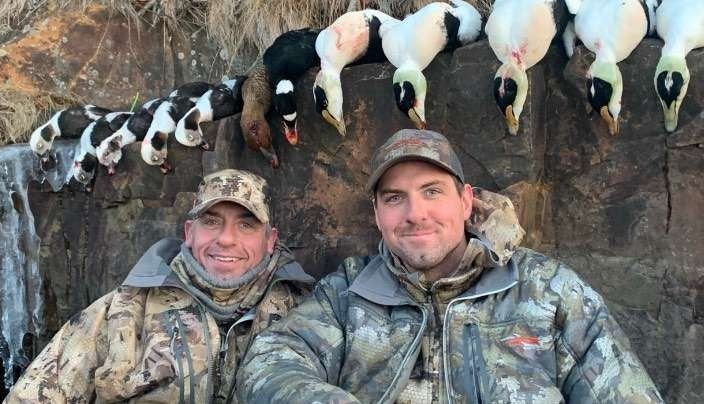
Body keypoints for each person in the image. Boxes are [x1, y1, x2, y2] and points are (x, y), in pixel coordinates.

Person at [238, 129, 663, 403]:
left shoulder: (549, 289)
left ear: (465, 201)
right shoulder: (347, 292)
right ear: (377, 214)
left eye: (432, 192)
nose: (415, 214)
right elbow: (270, 361)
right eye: (395, 198)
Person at [6, 169, 313, 403]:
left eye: (246, 224)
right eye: (211, 221)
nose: (226, 239)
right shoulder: (122, 310)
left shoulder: (307, 317)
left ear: (270, 240)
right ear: (189, 233)